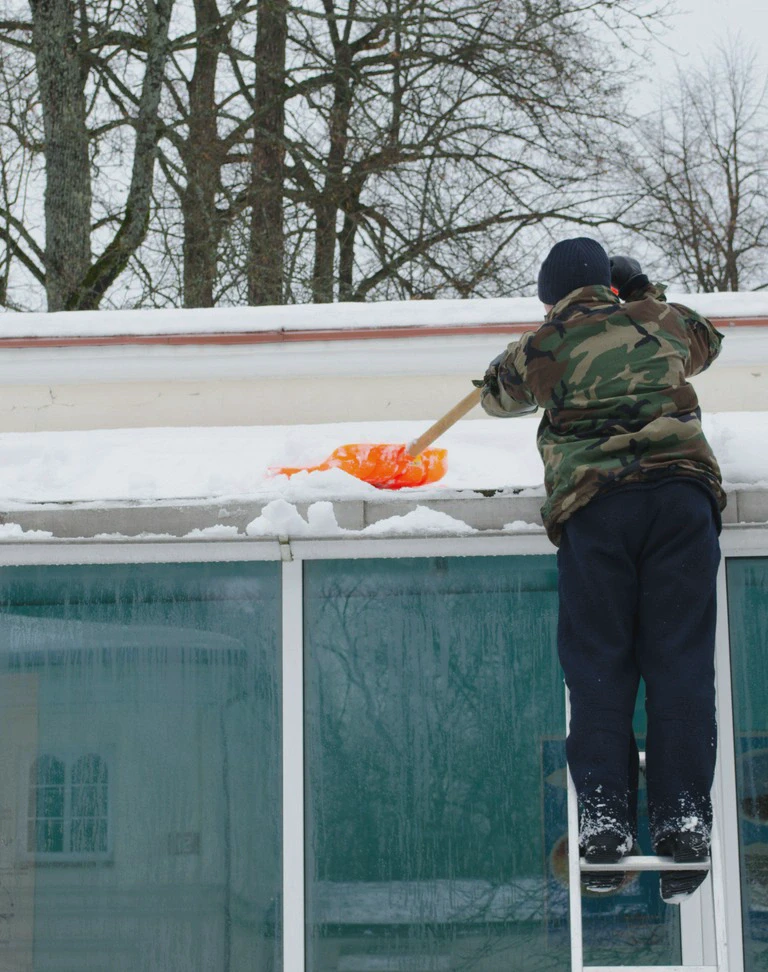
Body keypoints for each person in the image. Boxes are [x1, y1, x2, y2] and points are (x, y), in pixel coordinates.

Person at [479, 238, 725, 904]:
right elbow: (708, 341)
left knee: (599, 667)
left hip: (597, 508)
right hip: (680, 500)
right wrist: (645, 295)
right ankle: (682, 821)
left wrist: (545, 336)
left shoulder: (544, 345)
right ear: (613, 286)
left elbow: (495, 398)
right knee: (679, 662)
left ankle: (605, 823)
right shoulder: (658, 321)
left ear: (550, 295)